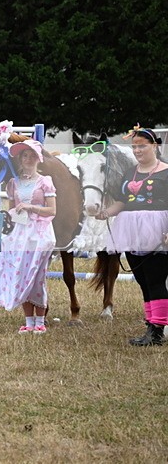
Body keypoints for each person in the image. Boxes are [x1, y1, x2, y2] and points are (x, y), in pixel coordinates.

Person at [95, 126, 168, 346]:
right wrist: (105, 213)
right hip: (131, 231)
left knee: (155, 279)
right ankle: (151, 324)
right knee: (143, 280)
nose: (137, 150)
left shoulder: (166, 172)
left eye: (142, 146)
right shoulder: (130, 173)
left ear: (154, 145)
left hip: (157, 230)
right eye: (134, 146)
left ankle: (158, 329)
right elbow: (122, 201)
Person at [0, 139, 56, 335]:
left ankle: (40, 320)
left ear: (38, 159)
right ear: (20, 159)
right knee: (21, 274)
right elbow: (12, 211)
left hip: (39, 233)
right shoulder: (14, 184)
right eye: (25, 155)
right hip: (20, 234)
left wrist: (31, 207)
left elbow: (52, 210)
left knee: (37, 276)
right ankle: (28, 321)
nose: (29, 159)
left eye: (32, 155)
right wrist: (5, 218)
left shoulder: (44, 182)